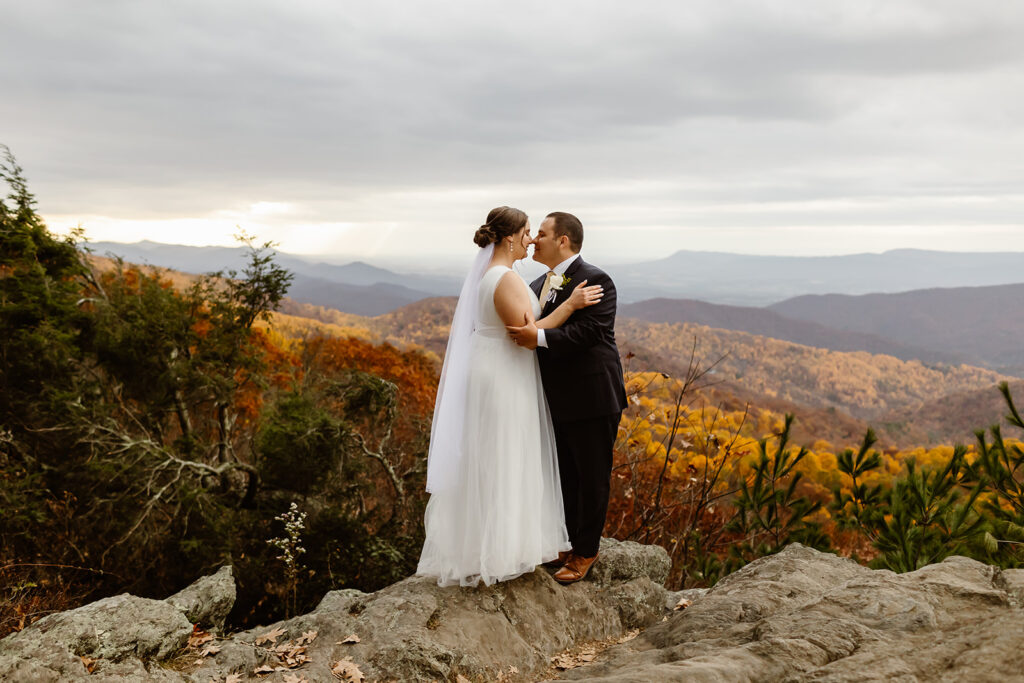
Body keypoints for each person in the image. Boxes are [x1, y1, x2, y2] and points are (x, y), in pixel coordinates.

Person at [417, 206, 604, 587]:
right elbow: (526, 333)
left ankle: (499, 544)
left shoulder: (504, 276)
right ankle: (498, 550)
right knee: (503, 455)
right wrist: (569, 305)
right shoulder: (504, 278)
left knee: (498, 454)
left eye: (536, 233)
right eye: (526, 232)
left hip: (501, 370)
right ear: (508, 238)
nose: (530, 239)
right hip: (503, 374)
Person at [506, 211, 627, 584]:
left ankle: (586, 551)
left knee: (591, 476)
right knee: (564, 477)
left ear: (563, 240)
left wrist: (536, 338)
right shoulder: (540, 281)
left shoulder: (596, 279)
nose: (534, 239)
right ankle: (566, 543)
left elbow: (589, 333)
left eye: (541, 233)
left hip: (592, 396)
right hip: (555, 398)